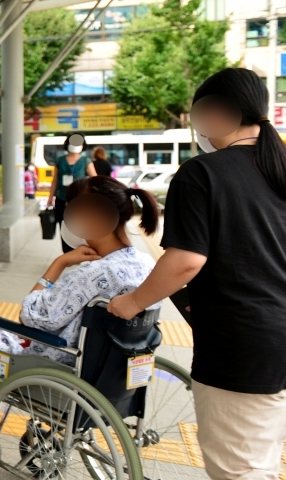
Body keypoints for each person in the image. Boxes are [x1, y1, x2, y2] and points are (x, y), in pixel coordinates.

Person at [108, 68, 286, 480]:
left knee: (242, 471)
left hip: (244, 347)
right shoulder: (278, 169)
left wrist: (131, 302)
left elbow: (186, 261)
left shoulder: (203, 173)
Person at [0, 176, 160, 450]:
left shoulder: (93, 272)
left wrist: (58, 264)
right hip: (114, 373)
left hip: (61, 365)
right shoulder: (145, 263)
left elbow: (30, 316)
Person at [49, 134, 98, 252]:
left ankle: (80, 250)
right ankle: (67, 253)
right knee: (64, 227)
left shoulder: (86, 161)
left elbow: (95, 179)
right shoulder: (60, 160)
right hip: (61, 199)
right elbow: (55, 180)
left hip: (79, 201)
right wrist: (50, 197)